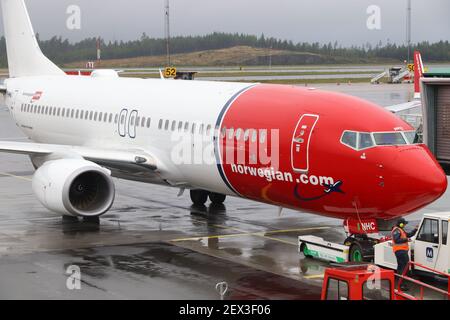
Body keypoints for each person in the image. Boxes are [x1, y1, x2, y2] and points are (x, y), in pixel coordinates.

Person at [391, 218, 418, 290]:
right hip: (400, 251)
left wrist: (415, 229)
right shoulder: (397, 230)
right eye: (404, 224)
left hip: (402, 251)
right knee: (404, 267)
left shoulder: (400, 230)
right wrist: (406, 240)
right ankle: (401, 284)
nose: (405, 225)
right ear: (401, 224)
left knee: (401, 267)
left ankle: (400, 282)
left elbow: (408, 235)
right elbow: (396, 240)